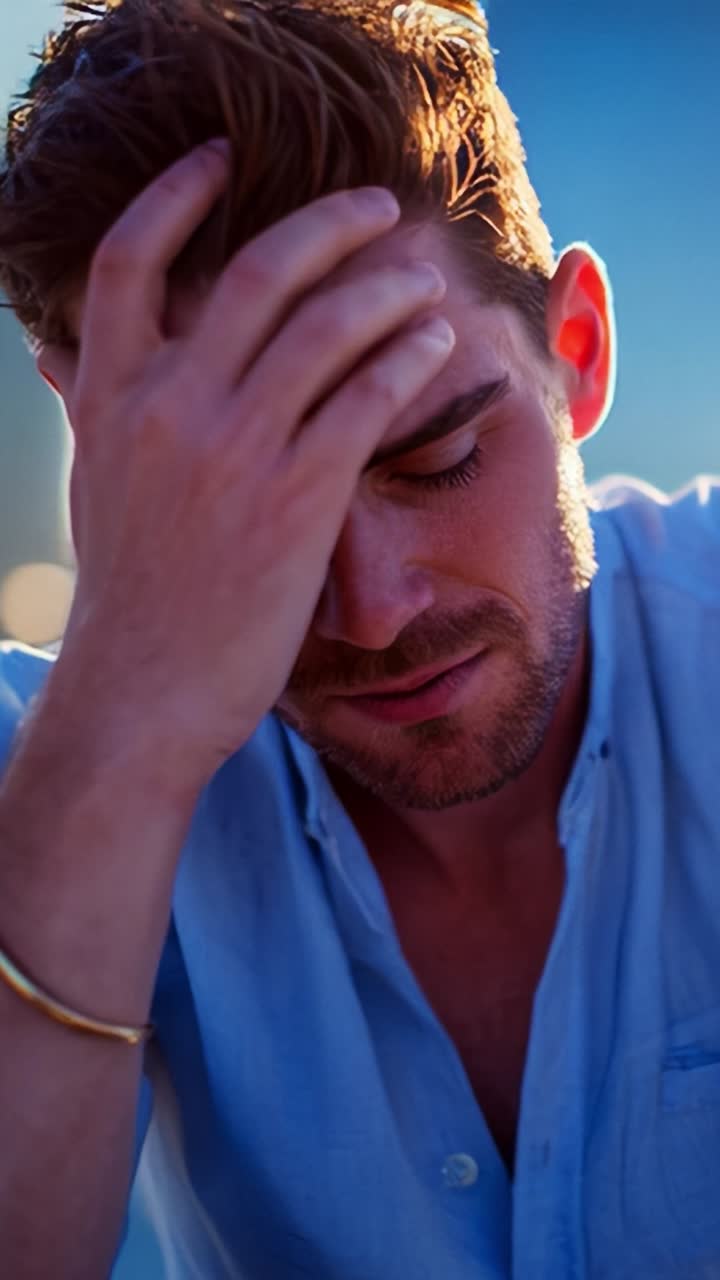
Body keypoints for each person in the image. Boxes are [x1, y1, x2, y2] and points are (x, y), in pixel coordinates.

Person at [0, 0, 718, 1276]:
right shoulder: (47, 769)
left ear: (579, 352)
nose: (372, 608)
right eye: (253, 515)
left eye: (436, 457)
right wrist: (117, 749)